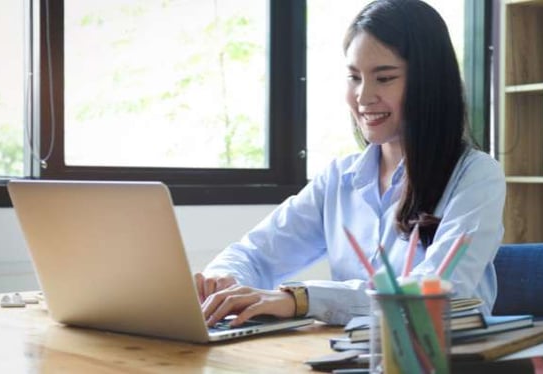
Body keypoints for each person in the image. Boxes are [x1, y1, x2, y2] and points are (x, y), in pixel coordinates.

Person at [196, 0, 505, 327]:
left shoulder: (476, 177)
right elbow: (254, 253)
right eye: (354, 77)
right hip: (350, 356)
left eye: (384, 78)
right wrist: (221, 281)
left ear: (428, 83)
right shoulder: (338, 179)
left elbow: (440, 294)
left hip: (442, 358)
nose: (363, 96)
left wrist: (300, 299)